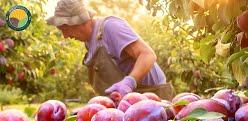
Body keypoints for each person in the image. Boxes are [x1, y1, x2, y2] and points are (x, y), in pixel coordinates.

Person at [46, 0, 175, 100]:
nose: (65, 36)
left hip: (152, 98)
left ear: (79, 21)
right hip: (127, 104)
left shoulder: (110, 27)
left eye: (66, 29)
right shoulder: (89, 42)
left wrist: (129, 82)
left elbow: (148, 55)